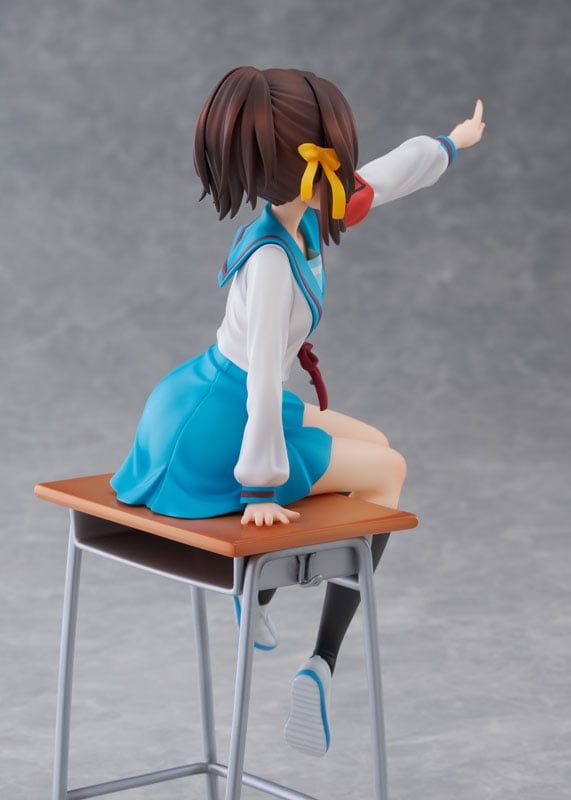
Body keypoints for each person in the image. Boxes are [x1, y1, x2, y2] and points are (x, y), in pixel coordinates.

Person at [110, 66, 485, 756]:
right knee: (389, 471)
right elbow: (260, 378)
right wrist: (258, 487)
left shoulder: (303, 216)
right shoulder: (271, 263)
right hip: (219, 422)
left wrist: (448, 144)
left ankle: (260, 607)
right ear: (311, 162)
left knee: (374, 441)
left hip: (215, 397)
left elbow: (379, 180)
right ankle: (309, 650)